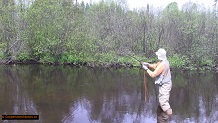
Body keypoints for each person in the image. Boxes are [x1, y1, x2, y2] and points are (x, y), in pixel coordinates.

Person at [141, 48, 173, 117]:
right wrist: (148, 64)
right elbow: (155, 66)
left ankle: (170, 115)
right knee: (162, 101)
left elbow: (153, 74)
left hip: (165, 85)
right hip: (166, 84)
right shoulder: (164, 61)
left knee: (164, 103)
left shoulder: (162, 64)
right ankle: (163, 116)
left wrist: (146, 69)